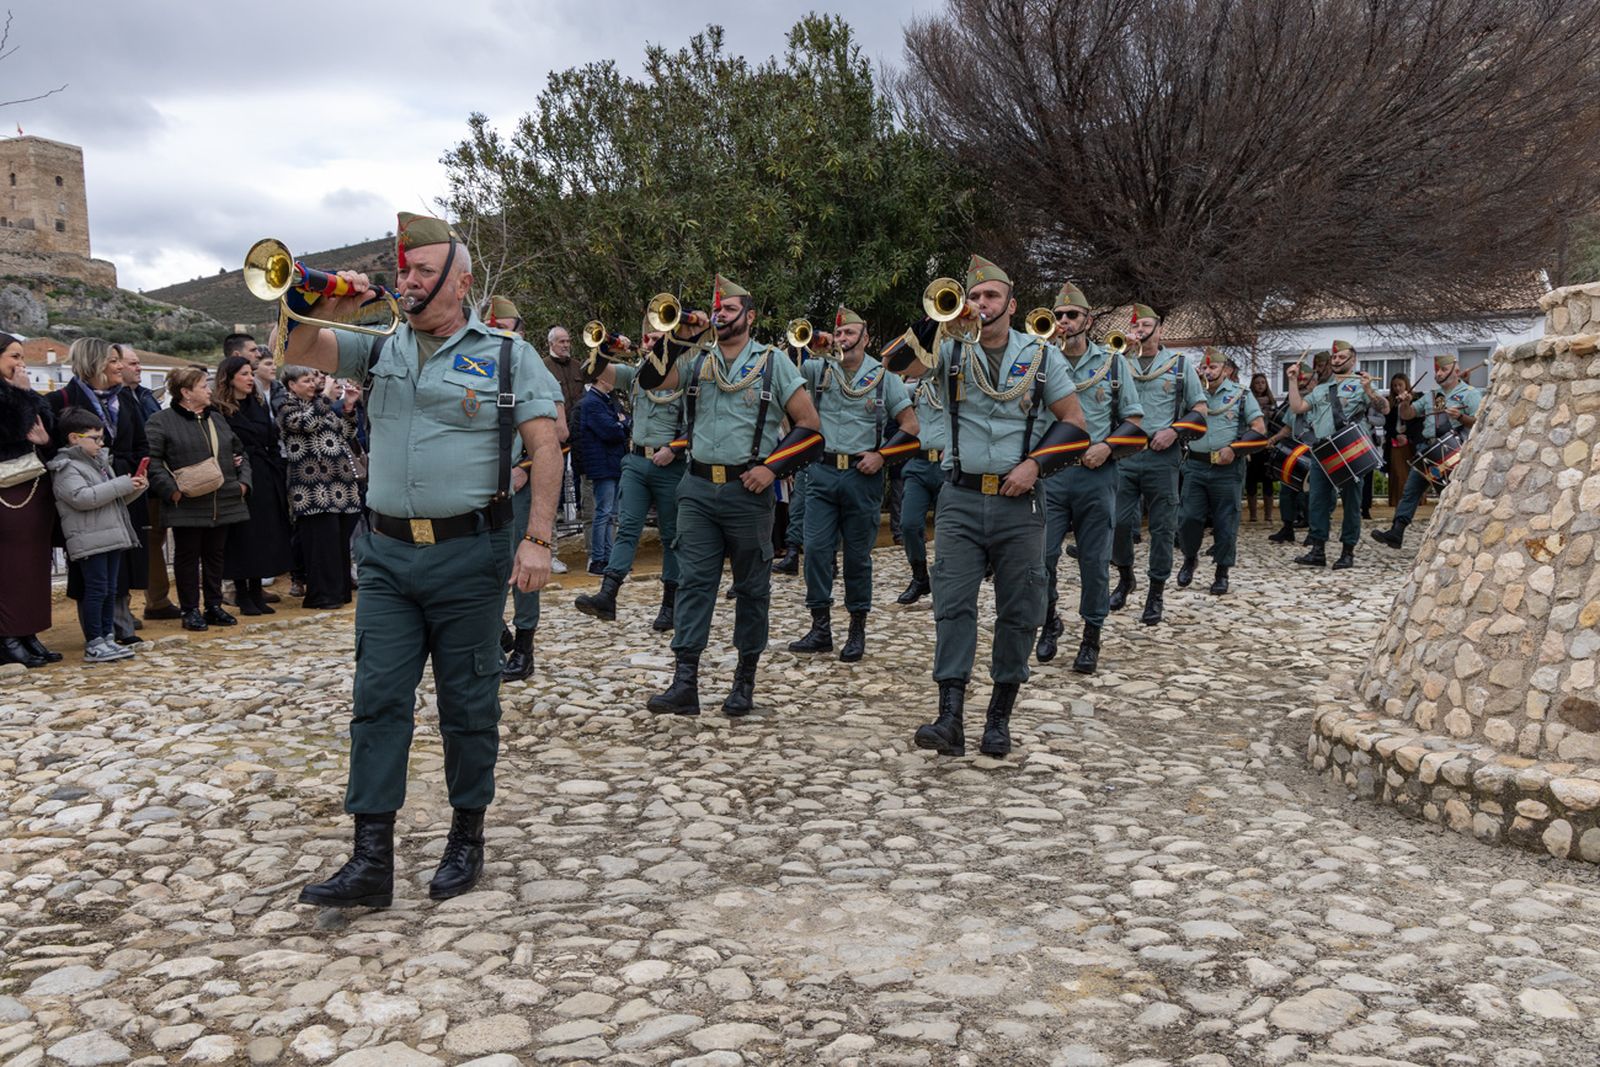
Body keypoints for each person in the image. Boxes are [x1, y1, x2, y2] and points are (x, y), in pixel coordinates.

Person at [283, 212, 562, 909]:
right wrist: (314, 305)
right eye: (402, 269)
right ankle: (370, 859)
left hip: (470, 554)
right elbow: (300, 348)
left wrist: (538, 539)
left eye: (420, 269)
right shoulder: (379, 348)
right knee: (377, 701)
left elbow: (548, 446)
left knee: (468, 702)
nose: (405, 280)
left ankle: (467, 835)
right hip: (384, 555)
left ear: (459, 280)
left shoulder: (504, 355)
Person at [885, 254, 1088, 759]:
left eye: (990, 296)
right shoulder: (949, 351)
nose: (980, 304)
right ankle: (950, 715)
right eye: (973, 296)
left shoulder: (1041, 357)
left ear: (1011, 304)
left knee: (1019, 610)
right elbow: (891, 362)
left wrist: (1036, 465)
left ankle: (999, 715)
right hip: (960, 496)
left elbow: (1075, 423)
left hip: (1021, 501)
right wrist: (939, 321)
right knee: (952, 606)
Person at [598, 274, 821, 718]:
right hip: (697, 487)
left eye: (729, 309)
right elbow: (651, 380)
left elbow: (810, 427)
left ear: (750, 316)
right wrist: (680, 336)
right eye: (716, 310)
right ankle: (685, 683)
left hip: (746, 488)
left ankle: (744, 680)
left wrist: (771, 468)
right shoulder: (698, 360)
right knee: (694, 583)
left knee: (752, 588)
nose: (719, 316)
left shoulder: (774, 362)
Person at [786, 306, 917, 663]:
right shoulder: (819, 370)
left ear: (865, 337)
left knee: (858, 557)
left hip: (863, 476)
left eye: (849, 334)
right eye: (838, 333)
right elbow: (789, 373)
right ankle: (820, 627)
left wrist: (883, 457)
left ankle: (857, 627)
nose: (842, 339)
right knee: (814, 550)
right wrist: (808, 344)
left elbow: (911, 426)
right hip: (822, 471)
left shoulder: (884, 377)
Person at [1036, 283, 1144, 673]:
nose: (1064, 322)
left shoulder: (1114, 364)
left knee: (1094, 562)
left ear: (1088, 320)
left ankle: (1091, 636)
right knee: (1042, 558)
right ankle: (1050, 621)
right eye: (1059, 315)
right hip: (1051, 476)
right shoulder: (1039, 360)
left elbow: (1134, 420)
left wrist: (1108, 447)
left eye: (1072, 315)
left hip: (1096, 476)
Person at [573, 335, 686, 632]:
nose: (649, 343)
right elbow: (591, 371)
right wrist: (609, 345)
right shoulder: (636, 372)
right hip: (637, 461)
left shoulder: (685, 372)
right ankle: (608, 595)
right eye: (647, 337)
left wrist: (675, 448)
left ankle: (670, 605)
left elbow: (699, 422)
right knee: (627, 528)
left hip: (669, 463)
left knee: (671, 536)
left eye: (657, 339)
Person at [481, 297, 565, 683]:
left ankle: (524, 648)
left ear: (520, 331)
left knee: (520, 567)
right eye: (491, 324)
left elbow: (559, 432)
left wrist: (525, 466)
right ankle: (496, 636)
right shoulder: (474, 361)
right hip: (478, 486)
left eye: (505, 325)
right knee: (479, 566)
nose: (497, 331)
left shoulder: (528, 363)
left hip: (517, 483)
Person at [47, 338, 149, 646]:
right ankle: (97, 634)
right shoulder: (61, 399)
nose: (121, 366)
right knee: (92, 571)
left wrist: (129, 471)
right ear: (95, 362)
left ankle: (121, 621)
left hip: (122, 487)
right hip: (84, 496)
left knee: (122, 561)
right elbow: (57, 451)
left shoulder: (127, 399)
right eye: (114, 360)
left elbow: (142, 442)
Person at [1109, 305, 1207, 626]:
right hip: (1125, 452)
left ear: (1159, 330)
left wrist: (1174, 430)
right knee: (1120, 523)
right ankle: (1125, 577)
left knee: (1163, 527)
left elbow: (1200, 409)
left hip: (1161, 453)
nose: (1139, 331)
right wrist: (1118, 352)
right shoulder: (1119, 361)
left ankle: (1156, 591)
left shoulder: (1179, 366)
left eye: (1145, 325)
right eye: (1135, 326)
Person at [146, 365, 253, 630]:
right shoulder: (161, 421)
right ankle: (190, 610)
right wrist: (171, 490)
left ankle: (213, 606)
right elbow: (153, 461)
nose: (209, 390)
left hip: (223, 499)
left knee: (216, 555)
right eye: (204, 386)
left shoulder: (216, 418)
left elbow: (241, 452)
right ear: (186, 392)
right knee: (187, 556)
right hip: (187, 502)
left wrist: (243, 484)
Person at [1287, 340, 1389, 568]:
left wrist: (1369, 390)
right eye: (1334, 357)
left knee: (1352, 502)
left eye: (1341, 357)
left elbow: (1384, 409)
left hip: (1350, 449)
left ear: (1352, 359)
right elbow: (1298, 407)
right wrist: (1292, 381)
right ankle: (1318, 550)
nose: (1336, 360)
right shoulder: (1322, 388)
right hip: (1323, 450)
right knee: (1318, 501)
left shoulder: (1362, 384)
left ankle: (1347, 551)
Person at [1176, 349, 1267, 594]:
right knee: (1188, 518)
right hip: (1195, 465)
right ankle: (1189, 557)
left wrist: (1235, 449)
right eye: (1204, 368)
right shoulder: (1193, 396)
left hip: (1227, 469)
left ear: (1226, 371)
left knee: (1226, 521)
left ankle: (1222, 571)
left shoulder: (1241, 395)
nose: (1207, 372)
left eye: (1212, 368)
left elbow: (1258, 428)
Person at [1371, 354, 1481, 549]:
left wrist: (1462, 417)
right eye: (1437, 370)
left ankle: (1460, 537)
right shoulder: (1433, 395)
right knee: (1410, 490)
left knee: (1451, 495)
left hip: (1453, 450)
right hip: (1428, 449)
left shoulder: (1470, 394)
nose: (1439, 374)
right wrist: (1404, 402)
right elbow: (1409, 414)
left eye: (1443, 370)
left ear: (1456, 371)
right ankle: (1397, 531)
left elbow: (1480, 423)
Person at [278, 365, 363, 608]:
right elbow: (306, 425)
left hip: (342, 486)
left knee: (338, 543)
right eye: (306, 380)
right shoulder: (287, 407)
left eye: (314, 379)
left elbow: (346, 433)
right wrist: (327, 396)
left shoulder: (322, 406)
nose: (313, 384)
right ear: (291, 385)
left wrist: (347, 406)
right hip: (313, 489)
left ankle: (339, 592)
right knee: (321, 544)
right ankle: (322, 596)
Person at [214, 355, 293, 614]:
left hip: (265, 474)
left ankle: (257, 589)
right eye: (245, 374)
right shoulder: (219, 410)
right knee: (242, 535)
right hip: (239, 476)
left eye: (251, 373)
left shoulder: (257, 405)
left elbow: (270, 436)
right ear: (230, 378)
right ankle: (242, 592)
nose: (250, 379)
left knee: (263, 533)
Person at [0, 333, 59, 668]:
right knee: (10, 567)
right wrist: (23, 395)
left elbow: (45, 426)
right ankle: (7, 635)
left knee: (34, 565)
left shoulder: (22, 392)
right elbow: (11, 429)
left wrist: (46, 435)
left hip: (32, 486)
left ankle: (28, 631)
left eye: (22, 357)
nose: (21, 364)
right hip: (6, 492)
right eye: (14, 356)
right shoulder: (16, 394)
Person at [894, 367, 946, 605]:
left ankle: (946, 581)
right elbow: (887, 386)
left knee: (947, 530)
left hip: (948, 467)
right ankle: (919, 576)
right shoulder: (916, 389)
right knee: (909, 523)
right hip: (919, 464)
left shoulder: (960, 387)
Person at [574, 370, 628, 575]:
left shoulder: (606, 400)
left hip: (612, 463)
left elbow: (624, 420)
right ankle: (598, 559)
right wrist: (621, 423)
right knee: (603, 513)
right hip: (602, 464)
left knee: (612, 514)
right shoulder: (592, 403)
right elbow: (610, 431)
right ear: (602, 379)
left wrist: (621, 423)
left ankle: (610, 557)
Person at [1267, 356, 1317, 544]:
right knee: (1287, 490)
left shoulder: (1321, 400)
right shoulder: (1296, 402)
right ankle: (1287, 528)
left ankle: (1315, 532)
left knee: (1312, 494)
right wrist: (1273, 439)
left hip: (1315, 451)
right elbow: (1288, 427)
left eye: (1306, 382)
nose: (1304, 387)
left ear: (1314, 381)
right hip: (1296, 451)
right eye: (1301, 384)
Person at [1382, 371, 1425, 508]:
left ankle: (1416, 502)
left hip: (1412, 440)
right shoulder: (1390, 402)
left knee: (1413, 473)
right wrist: (1396, 435)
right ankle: (1398, 502)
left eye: (1400, 385)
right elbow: (1387, 424)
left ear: (1406, 384)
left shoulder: (1418, 398)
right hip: (1396, 441)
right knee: (1398, 473)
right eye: (1394, 386)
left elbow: (1419, 421)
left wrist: (1408, 436)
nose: (1397, 388)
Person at [1243, 372, 1276, 524]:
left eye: (1263, 382)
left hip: (1267, 444)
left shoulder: (1272, 402)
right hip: (1252, 445)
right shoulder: (1248, 401)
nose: (1260, 385)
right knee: (1251, 480)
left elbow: (1276, 424)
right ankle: (1253, 515)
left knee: (1267, 479)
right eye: (1257, 383)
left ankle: (1268, 515)